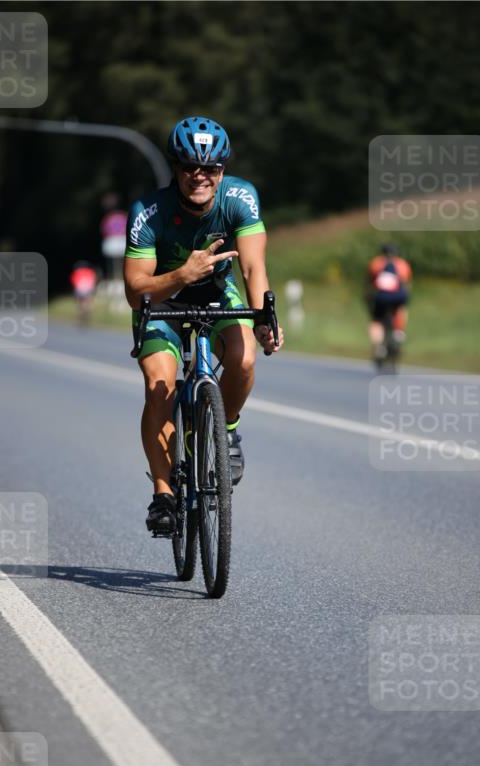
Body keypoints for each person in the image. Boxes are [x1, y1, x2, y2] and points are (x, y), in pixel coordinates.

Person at [123, 116, 284, 535]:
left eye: (210, 168)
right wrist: (182, 274)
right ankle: (163, 495)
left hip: (215, 292)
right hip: (161, 298)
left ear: (222, 170)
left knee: (244, 358)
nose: (200, 176)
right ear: (176, 168)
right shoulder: (148, 212)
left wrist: (263, 319)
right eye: (190, 167)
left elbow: (253, 267)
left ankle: (224, 431)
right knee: (159, 385)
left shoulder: (241, 198)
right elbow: (135, 290)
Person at [366, 244, 412, 360]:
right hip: (398, 297)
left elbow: (370, 283)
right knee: (401, 309)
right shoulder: (402, 264)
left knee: (376, 321)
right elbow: (407, 284)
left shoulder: (376, 263)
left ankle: (379, 347)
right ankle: (399, 332)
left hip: (381, 297)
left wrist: (368, 298)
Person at [69, 261, 99, 325]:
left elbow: (73, 281)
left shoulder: (77, 271)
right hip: (89, 289)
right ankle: (86, 312)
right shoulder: (91, 272)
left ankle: (80, 315)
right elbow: (94, 280)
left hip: (80, 289)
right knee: (88, 303)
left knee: (79, 303)